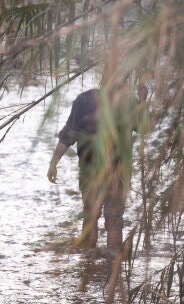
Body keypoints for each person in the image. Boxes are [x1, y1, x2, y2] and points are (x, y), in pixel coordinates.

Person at [47, 87, 134, 254]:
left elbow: (67, 136)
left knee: (91, 215)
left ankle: (87, 262)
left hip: (92, 171)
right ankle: (112, 261)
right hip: (116, 173)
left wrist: (53, 163)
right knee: (113, 219)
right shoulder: (127, 100)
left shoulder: (85, 100)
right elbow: (145, 128)